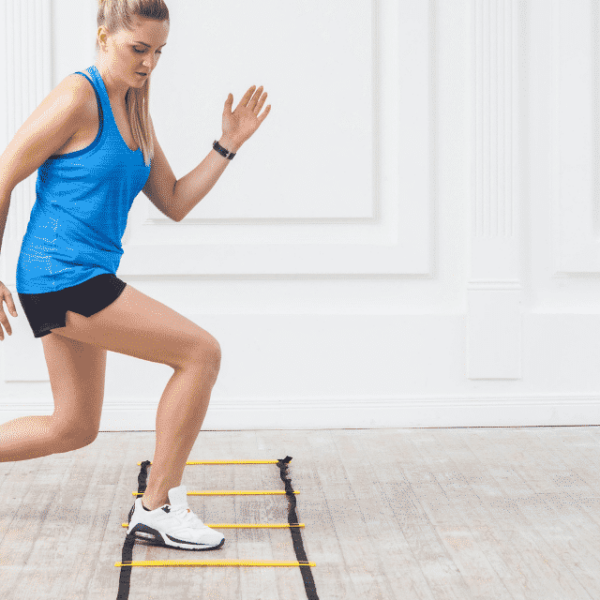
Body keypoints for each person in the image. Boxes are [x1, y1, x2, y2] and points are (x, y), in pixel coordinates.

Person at [0, 0, 271, 551]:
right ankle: (158, 507)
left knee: (73, 428)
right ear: (105, 37)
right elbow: (3, 175)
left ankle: (157, 507)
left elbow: (173, 200)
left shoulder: (135, 107)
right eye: (138, 50)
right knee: (200, 353)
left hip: (82, 275)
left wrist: (228, 145)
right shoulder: (79, 95)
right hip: (60, 276)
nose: (148, 64)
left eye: (158, 52)